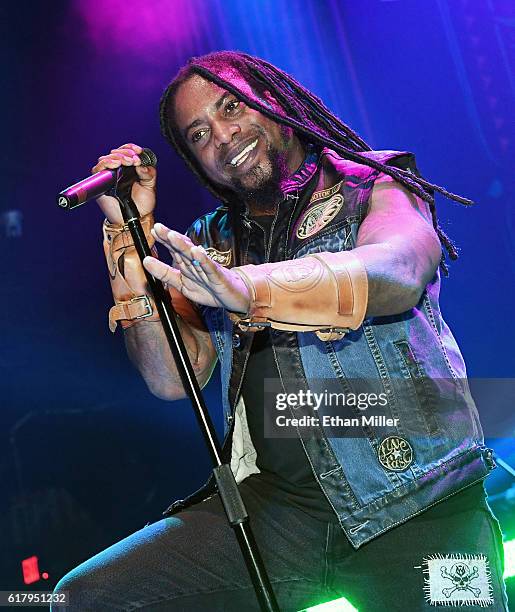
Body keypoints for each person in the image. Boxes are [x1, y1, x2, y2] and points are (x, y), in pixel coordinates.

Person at [53, 51, 508, 611]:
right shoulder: (210, 241)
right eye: (200, 133)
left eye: (232, 105)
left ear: (274, 99)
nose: (223, 135)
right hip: (279, 514)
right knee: (83, 598)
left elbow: (400, 270)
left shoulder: (375, 184)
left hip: (415, 501)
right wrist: (128, 234)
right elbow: (171, 378)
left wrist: (252, 290)